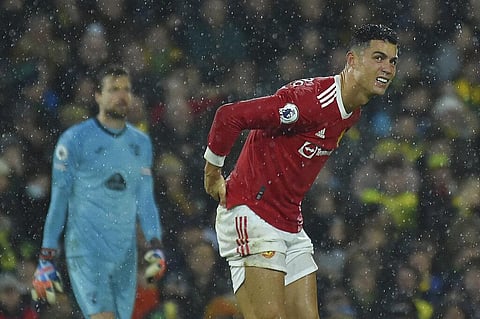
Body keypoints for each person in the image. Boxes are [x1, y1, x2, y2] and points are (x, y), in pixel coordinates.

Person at [203, 24, 399, 318]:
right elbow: (230, 116)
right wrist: (212, 174)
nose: (387, 68)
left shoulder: (353, 112)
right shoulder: (309, 101)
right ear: (352, 61)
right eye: (379, 57)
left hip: (290, 221)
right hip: (252, 211)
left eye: (393, 61)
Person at [31, 65, 166, 319]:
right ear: (97, 96)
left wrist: (155, 243)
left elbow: (146, 199)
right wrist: (46, 257)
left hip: (125, 252)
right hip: (86, 249)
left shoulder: (141, 143)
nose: (122, 95)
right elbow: (59, 202)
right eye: (113, 89)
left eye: (126, 89)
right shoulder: (74, 141)